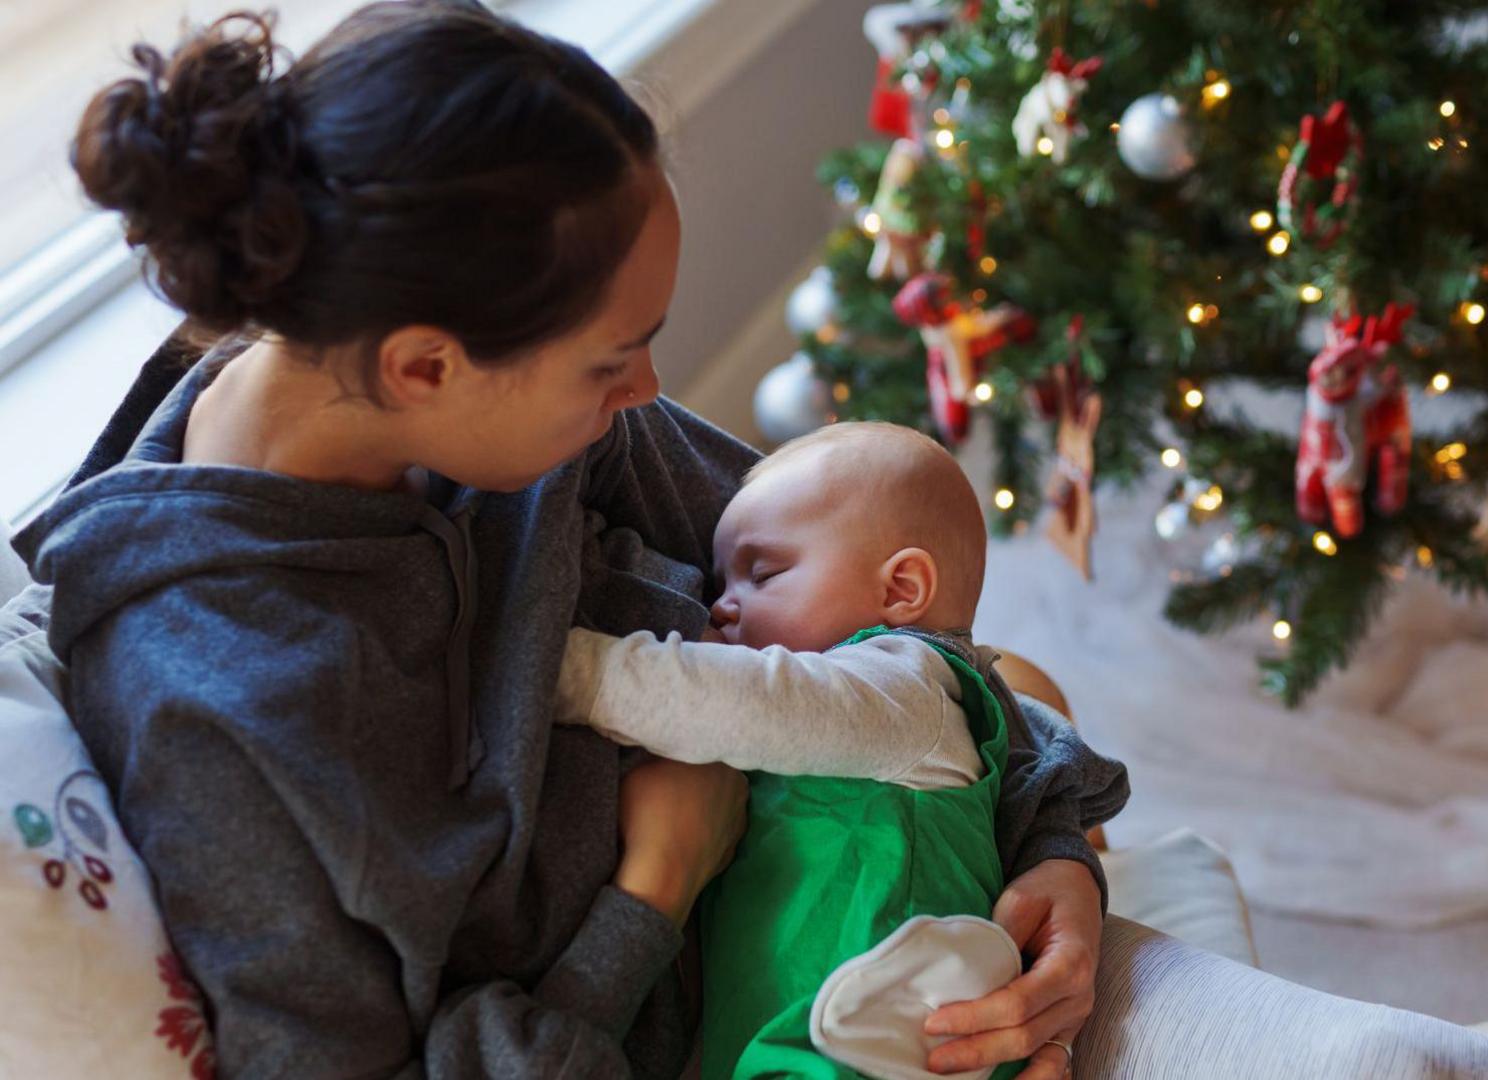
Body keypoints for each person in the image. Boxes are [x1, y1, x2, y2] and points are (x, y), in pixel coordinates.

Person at [12, 4, 1121, 1075]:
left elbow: (902, 635)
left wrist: (1055, 847)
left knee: (1045, 682)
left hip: (901, 905)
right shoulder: (228, 707)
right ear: (424, 365)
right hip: (744, 1034)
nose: (644, 389)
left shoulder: (529, 426)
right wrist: (656, 890)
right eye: (612, 358)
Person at [555, 421, 1121, 1077]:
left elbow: (749, 703)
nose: (722, 607)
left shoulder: (907, 685)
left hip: (884, 1048)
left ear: (902, 590)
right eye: (720, 584)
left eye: (761, 574)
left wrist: (561, 671)